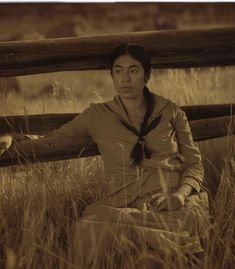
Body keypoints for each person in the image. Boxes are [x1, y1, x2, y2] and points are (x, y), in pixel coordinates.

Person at [0, 43, 209, 268]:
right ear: (112, 76)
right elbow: (52, 139)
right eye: (118, 71)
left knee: (165, 237)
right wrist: (13, 137)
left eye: (133, 70)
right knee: (87, 229)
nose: (125, 78)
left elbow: (194, 163)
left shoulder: (170, 111)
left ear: (147, 75)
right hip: (123, 206)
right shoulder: (98, 115)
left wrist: (180, 194)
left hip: (171, 204)